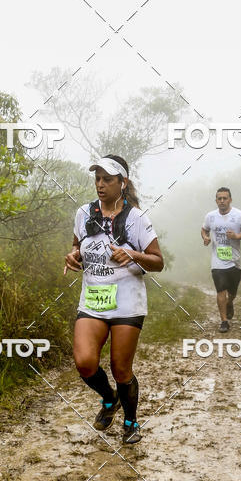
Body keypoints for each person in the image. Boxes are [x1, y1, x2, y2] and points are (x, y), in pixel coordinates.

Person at [64, 155, 164, 443]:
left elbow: (158, 262)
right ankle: (109, 399)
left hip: (127, 303)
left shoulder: (136, 218)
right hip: (93, 300)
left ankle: (131, 422)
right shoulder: (84, 213)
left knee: (121, 369)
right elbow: (77, 246)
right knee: (84, 362)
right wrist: (74, 256)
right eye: (97, 178)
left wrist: (133, 254)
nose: (100, 184)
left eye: (107, 179)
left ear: (123, 182)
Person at [201, 187, 241, 333]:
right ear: (216, 201)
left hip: (234, 260)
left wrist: (237, 237)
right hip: (217, 260)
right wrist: (206, 237)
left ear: (230, 200)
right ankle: (224, 321)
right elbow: (204, 229)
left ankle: (230, 302)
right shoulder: (210, 216)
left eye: (225, 198)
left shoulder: (238, 215)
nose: (222, 201)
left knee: (232, 291)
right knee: (220, 290)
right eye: (219, 198)